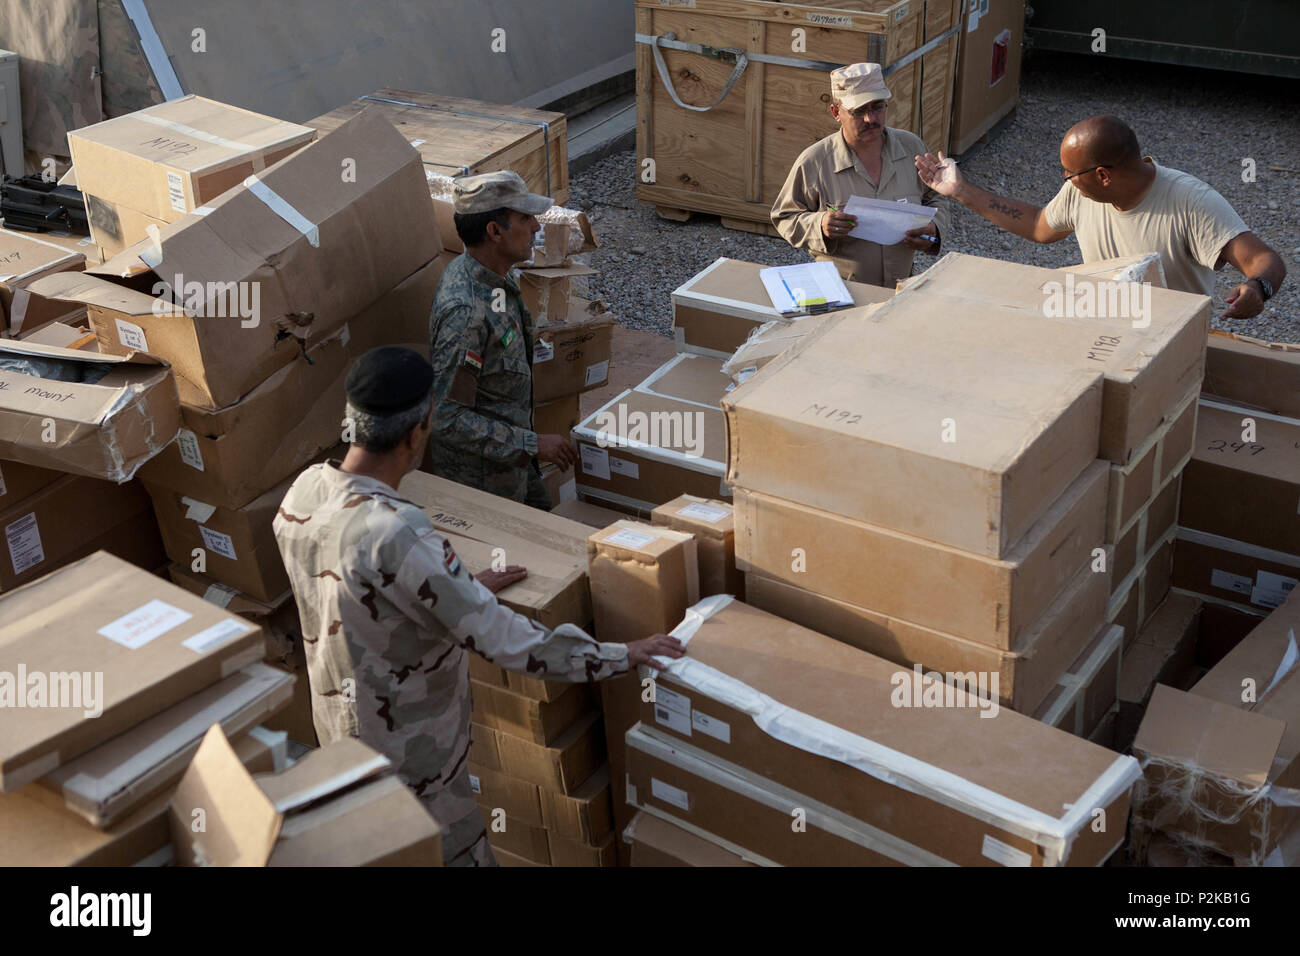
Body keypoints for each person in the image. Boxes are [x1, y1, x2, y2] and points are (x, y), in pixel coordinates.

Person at [273, 346, 686, 867]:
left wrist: (452, 592)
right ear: (416, 433)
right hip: (412, 765)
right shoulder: (399, 534)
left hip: (338, 737)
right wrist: (623, 654)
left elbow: (352, 591)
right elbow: (514, 646)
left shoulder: (303, 493)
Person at [914, 115, 1286, 318]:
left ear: (1103, 176)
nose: (1064, 180)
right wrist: (961, 190)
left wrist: (1258, 288)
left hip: (1172, 345)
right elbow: (1039, 226)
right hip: (1104, 332)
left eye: (1068, 173)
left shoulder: (1191, 202)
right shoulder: (1082, 191)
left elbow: (1265, 260)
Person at [428, 170, 579, 511]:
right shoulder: (465, 313)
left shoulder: (490, 274)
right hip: (484, 486)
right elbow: (445, 419)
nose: (537, 228)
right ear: (494, 231)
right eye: (525, 219)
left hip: (514, 468)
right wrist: (530, 443)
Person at [771, 62, 951, 289]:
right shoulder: (815, 162)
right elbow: (784, 216)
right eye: (859, 111)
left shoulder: (911, 148)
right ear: (836, 112)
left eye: (877, 107)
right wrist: (820, 224)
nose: (870, 119)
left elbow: (937, 197)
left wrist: (934, 228)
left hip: (901, 288)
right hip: (841, 292)